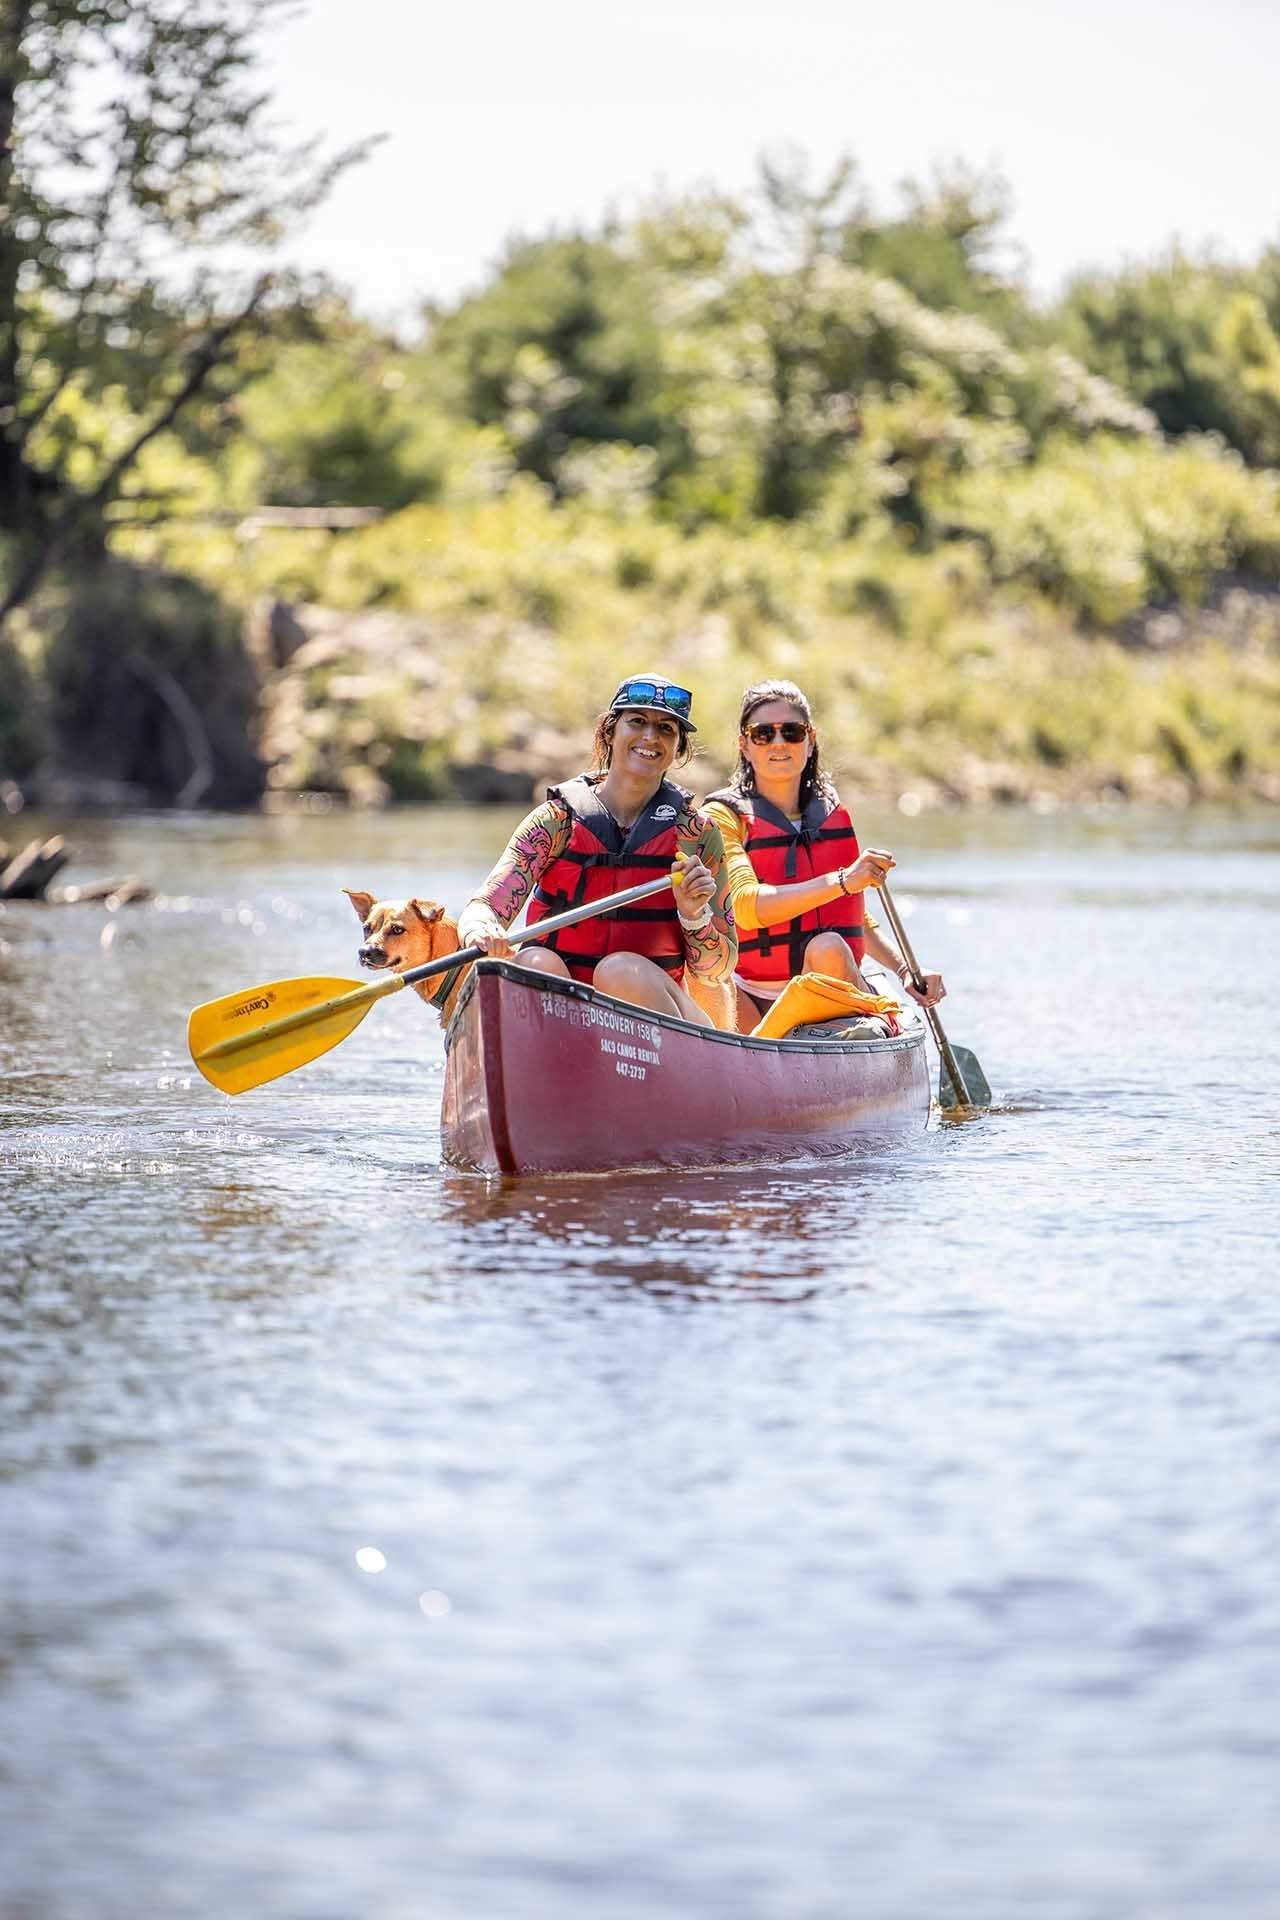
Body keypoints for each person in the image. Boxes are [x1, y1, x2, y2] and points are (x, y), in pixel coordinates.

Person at [457, 674, 737, 1026]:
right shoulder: (556, 820)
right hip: (564, 1018)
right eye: (637, 722)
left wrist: (694, 915)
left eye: (666, 729)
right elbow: (485, 906)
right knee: (534, 964)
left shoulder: (696, 833)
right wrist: (481, 929)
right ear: (609, 732)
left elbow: (718, 969)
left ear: (679, 747)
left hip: (654, 1021)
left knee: (620, 971)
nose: (650, 737)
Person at [702, 679, 946, 1033]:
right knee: (706, 972)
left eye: (792, 732)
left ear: (810, 740)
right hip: (749, 992)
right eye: (763, 734)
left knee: (828, 946)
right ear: (744, 745)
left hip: (828, 986)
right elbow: (743, 906)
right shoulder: (723, 816)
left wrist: (906, 969)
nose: (779, 743)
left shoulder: (829, 814)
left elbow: (849, 914)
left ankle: (861, 1019)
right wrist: (843, 881)